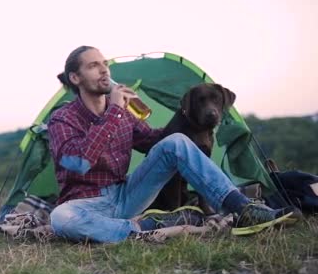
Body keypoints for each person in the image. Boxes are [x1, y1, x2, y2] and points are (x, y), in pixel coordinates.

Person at [47, 46, 301, 243]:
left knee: (176, 142)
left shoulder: (124, 115)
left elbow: (159, 142)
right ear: (75, 77)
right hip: (85, 203)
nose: (104, 70)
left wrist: (190, 117)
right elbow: (78, 163)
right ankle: (148, 227)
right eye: (93, 66)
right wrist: (114, 111)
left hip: (126, 196)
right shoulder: (63, 118)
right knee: (60, 218)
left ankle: (243, 209)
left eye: (104, 64)